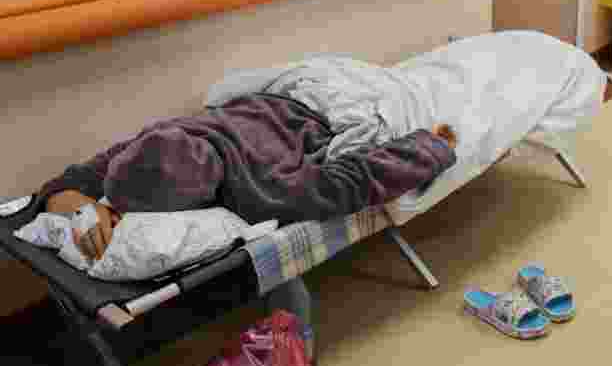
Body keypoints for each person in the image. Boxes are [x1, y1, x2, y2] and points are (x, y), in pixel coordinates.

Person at [40, 92, 459, 261]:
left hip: (318, 105)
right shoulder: (153, 143)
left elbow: (357, 178)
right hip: (253, 100)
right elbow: (63, 185)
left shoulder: (266, 189)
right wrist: (83, 207)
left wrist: (434, 146)